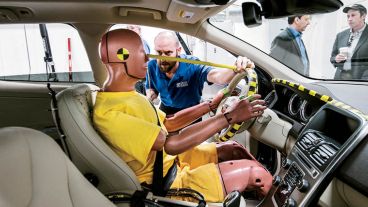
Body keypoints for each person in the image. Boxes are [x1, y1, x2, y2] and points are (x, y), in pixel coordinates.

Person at [93, 29, 272, 203]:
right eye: (143, 53)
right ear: (121, 56)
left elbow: (169, 123)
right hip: (163, 182)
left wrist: (212, 104)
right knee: (257, 175)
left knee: (234, 149)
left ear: (178, 50)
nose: (149, 58)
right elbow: (170, 144)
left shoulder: (130, 95)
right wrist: (229, 117)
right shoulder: (109, 114)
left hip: (168, 161)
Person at [145, 31, 255, 118]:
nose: (162, 58)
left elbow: (217, 76)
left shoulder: (192, 65)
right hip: (166, 108)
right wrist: (149, 96)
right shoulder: (152, 66)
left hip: (192, 110)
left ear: (178, 51)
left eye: (168, 53)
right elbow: (151, 89)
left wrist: (235, 69)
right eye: (159, 52)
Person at [330, 4, 368, 80]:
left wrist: (364, 80)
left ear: (363, 16)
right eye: (348, 16)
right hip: (339, 79)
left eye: (353, 15)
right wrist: (336, 59)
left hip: (361, 81)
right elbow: (332, 57)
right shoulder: (340, 35)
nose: (349, 19)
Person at [127, 25, 151, 95]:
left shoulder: (141, 43)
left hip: (139, 81)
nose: (129, 30)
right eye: (128, 28)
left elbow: (143, 62)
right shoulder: (131, 43)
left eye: (132, 28)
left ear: (139, 30)